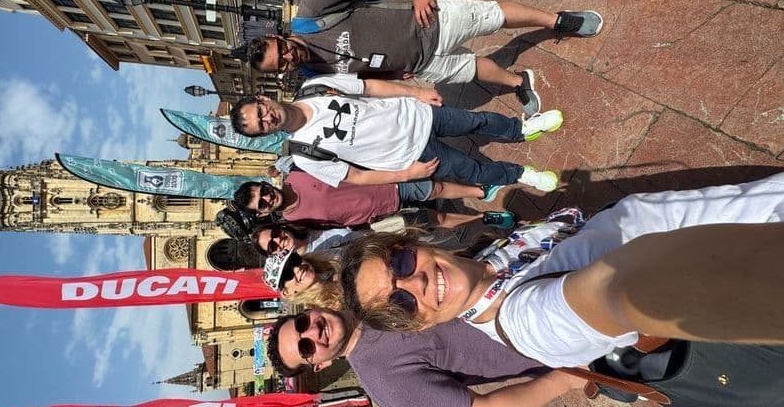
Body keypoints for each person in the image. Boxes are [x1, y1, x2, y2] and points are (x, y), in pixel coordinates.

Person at [340, 174, 784, 376]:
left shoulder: (489, 259)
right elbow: (618, 294)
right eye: (401, 302)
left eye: (400, 262)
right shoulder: (527, 322)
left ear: (412, 242)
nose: (414, 282)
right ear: (419, 324)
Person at [244, 0, 603, 115]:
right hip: (421, 65)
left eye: (283, 50)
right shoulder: (312, 73)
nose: (289, 58)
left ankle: (557, 21)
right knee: (473, 70)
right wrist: (396, 74)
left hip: (430, 18)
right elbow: (361, 76)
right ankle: (517, 83)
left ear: (280, 37)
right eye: (281, 65)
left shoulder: (310, 13)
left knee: (494, 16)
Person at [229, 73, 563, 192]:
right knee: (474, 171)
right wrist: (406, 175)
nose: (267, 118)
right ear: (265, 135)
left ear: (262, 98)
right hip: (413, 156)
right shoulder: (303, 153)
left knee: (477, 121)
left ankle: (522, 128)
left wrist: (415, 93)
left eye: (261, 111)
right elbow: (356, 178)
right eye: (261, 125)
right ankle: (521, 174)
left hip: (417, 114)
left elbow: (368, 87)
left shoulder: (314, 87)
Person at [266, 307, 559, 407]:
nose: (313, 332)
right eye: (307, 348)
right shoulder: (385, 383)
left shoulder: (365, 288)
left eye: (302, 323)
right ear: (321, 364)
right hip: (551, 337)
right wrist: (565, 380)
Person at [234, 176, 516, 230]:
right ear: (262, 213)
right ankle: (483, 219)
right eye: (262, 204)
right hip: (379, 220)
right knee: (436, 221)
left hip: (385, 184)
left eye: (263, 192)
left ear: (265, 184)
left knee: (436, 188)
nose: (267, 198)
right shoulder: (294, 222)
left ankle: (480, 192)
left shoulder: (296, 173)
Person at [262, 248, 342, 308]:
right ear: (287, 292)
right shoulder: (322, 312)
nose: (297, 268)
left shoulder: (336, 263)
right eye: (287, 274)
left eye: (295, 260)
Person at [251, 223, 361, 258]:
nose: (277, 239)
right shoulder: (311, 268)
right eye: (272, 246)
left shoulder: (310, 224)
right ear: (274, 255)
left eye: (275, 233)